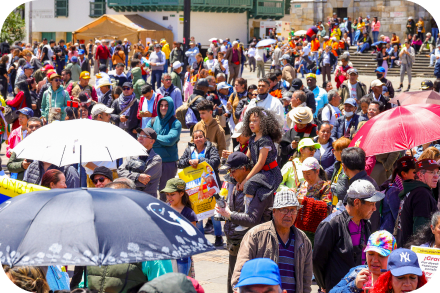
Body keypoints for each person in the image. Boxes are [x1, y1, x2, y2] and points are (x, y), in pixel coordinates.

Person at [232, 190, 313, 293]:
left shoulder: (303, 241)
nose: (289, 215)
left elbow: (306, 279)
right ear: (274, 212)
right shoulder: (255, 235)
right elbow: (240, 270)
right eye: (284, 210)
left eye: (293, 210)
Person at [314, 179, 385, 292]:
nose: (374, 208)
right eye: (371, 204)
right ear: (356, 203)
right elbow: (318, 260)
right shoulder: (331, 224)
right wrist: (324, 286)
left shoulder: (366, 223)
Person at [235, 107, 283, 231]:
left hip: (271, 173)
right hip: (262, 172)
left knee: (249, 184)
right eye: (250, 121)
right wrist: (238, 172)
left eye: (255, 121)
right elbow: (247, 159)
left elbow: (260, 163)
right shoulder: (252, 139)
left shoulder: (265, 140)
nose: (252, 123)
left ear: (263, 122)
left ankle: (248, 218)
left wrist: (245, 179)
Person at [178, 129, 223, 246]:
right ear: (193, 139)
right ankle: (200, 239)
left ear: (205, 137)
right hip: (195, 186)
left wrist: (200, 161)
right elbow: (180, 163)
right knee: (197, 211)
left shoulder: (211, 148)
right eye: (196, 137)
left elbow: (215, 161)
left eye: (200, 136)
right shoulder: (189, 150)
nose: (198, 139)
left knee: (215, 211)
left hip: (211, 184)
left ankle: (218, 237)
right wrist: (189, 162)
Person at [330, 231, 397, 293]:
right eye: (371, 253)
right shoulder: (357, 272)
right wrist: (354, 285)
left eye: (381, 255)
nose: (374, 260)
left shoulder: (399, 278)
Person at [395, 158, 439, 247]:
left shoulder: (414, 191)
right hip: (413, 254)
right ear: (420, 175)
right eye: (431, 172)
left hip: (404, 250)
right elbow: (421, 231)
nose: (436, 176)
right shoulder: (421, 194)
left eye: (437, 172)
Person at [146, 96, 182, 201]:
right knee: (150, 190)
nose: (163, 108)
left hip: (168, 163)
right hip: (152, 161)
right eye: (161, 105)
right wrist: (160, 141)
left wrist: (154, 139)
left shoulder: (176, 123)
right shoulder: (152, 121)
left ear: (170, 107)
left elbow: (170, 140)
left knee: (166, 193)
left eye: (166, 106)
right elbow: (145, 137)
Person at [160, 178, 197, 276]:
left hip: (182, 256)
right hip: (165, 255)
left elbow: (192, 237)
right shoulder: (163, 209)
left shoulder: (189, 213)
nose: (169, 197)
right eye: (167, 194)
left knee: (180, 284)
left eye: (172, 194)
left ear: (181, 193)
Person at [118, 127, 162, 195]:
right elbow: (120, 171)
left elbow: (143, 182)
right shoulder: (132, 154)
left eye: (144, 136)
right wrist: (137, 177)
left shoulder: (156, 159)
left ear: (152, 141)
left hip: (147, 198)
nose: (140, 138)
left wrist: (126, 179)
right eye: (139, 135)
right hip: (130, 195)